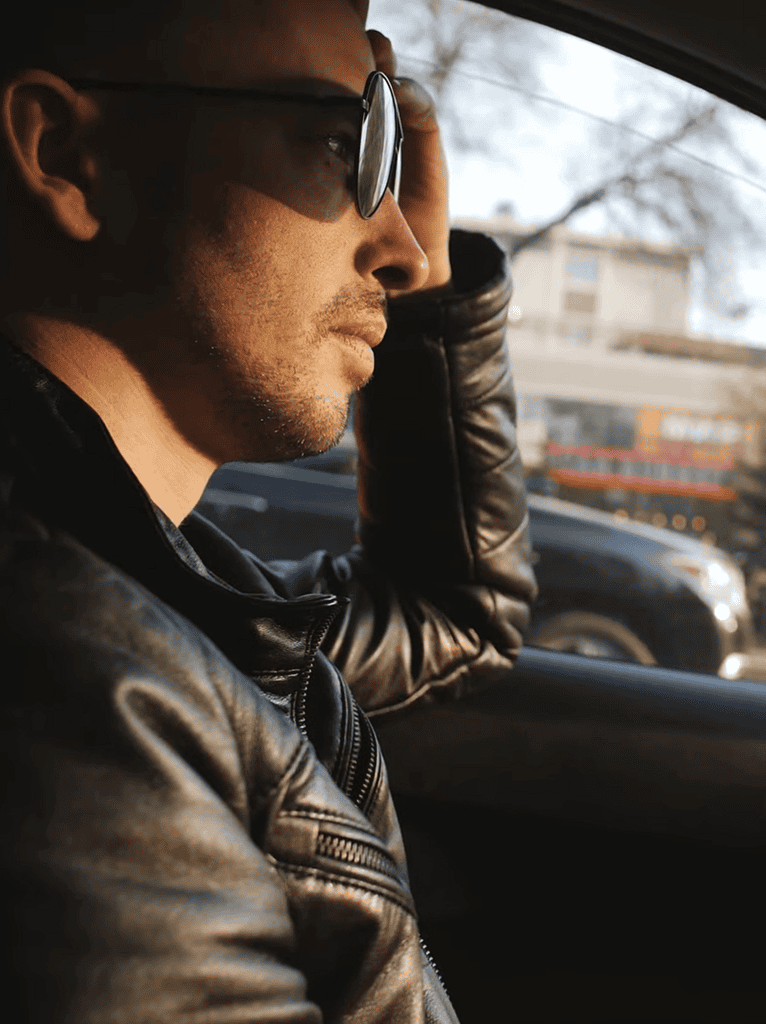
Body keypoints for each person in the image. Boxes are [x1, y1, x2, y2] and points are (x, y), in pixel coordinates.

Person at [0, 0, 537, 1021]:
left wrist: (425, 315)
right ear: (65, 154)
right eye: (341, 145)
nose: (407, 253)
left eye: (382, 153)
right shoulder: (77, 694)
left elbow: (449, 615)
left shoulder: (164, 589)